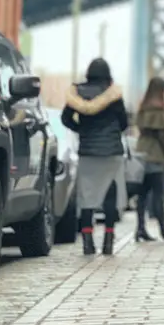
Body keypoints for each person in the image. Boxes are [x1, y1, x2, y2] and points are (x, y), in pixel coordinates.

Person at [61, 58, 128, 256]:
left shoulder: (78, 94)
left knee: (87, 197)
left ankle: (87, 242)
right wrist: (112, 131)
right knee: (110, 196)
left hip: (88, 151)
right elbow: (124, 122)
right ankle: (108, 240)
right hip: (111, 153)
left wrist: (82, 129)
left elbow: (65, 118)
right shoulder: (113, 94)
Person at [135, 77, 164, 242]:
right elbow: (160, 134)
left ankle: (140, 228)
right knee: (159, 194)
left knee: (142, 195)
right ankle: (163, 228)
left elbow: (140, 127)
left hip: (141, 153)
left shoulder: (143, 107)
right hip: (155, 156)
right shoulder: (159, 109)